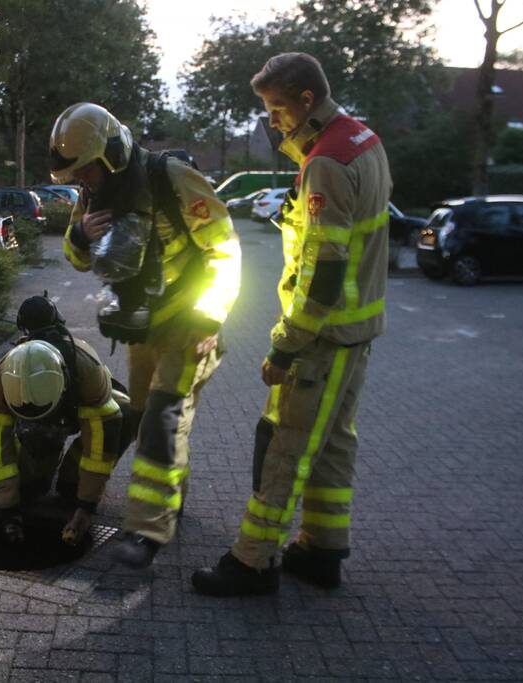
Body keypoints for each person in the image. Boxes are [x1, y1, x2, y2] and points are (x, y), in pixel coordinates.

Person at [192, 52, 392, 596]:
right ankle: (322, 550)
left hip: (321, 340)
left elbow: (323, 273)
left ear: (307, 100)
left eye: (278, 109)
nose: (273, 121)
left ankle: (253, 562)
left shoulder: (326, 162)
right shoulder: (363, 142)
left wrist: (285, 345)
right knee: (332, 445)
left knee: (285, 446)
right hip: (357, 332)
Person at [49, 103, 241, 568]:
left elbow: (225, 247)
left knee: (162, 417)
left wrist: (210, 319)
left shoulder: (170, 177)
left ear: (111, 152)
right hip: (143, 327)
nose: (84, 181)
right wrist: (79, 235)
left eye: (87, 170)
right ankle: (170, 502)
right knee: (145, 415)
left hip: (191, 326)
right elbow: (79, 260)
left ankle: (146, 529)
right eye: (76, 174)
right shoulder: (94, 196)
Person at [0, 295, 136, 545]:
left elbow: (99, 445)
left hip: (83, 410)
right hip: (39, 431)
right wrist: (7, 508)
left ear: (62, 383)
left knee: (126, 414)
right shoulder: (2, 376)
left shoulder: (86, 369)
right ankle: (44, 465)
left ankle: (72, 480)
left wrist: (86, 506)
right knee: (27, 492)